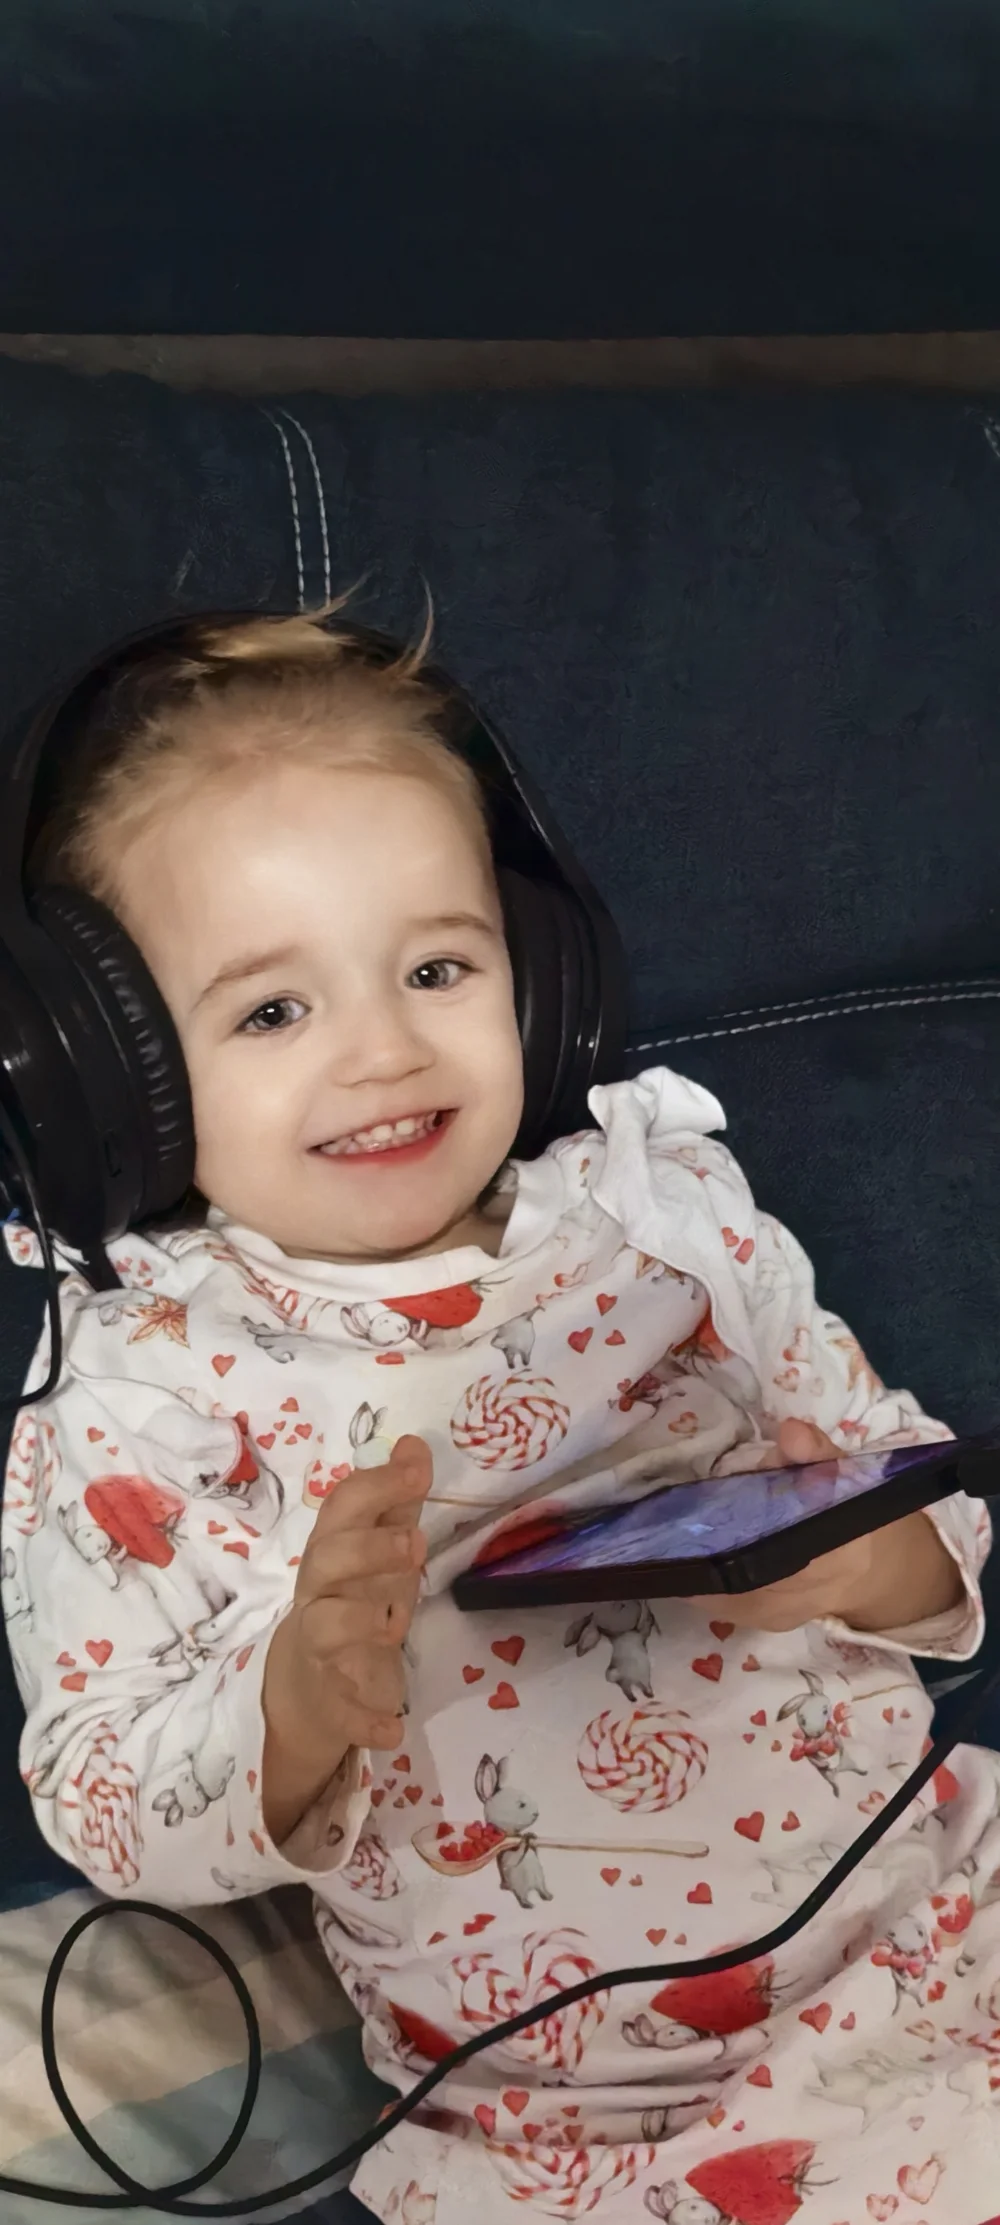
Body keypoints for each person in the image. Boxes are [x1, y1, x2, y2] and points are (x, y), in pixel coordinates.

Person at [4, 607, 999, 2225]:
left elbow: (918, 1494)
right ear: (115, 1089)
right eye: (273, 1012)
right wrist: (289, 1708)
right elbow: (101, 1789)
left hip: (942, 1913)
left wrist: (877, 1559)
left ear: (538, 982)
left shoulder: (671, 1218)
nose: (385, 1052)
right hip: (579, 2105)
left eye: (437, 969)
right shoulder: (142, 1387)